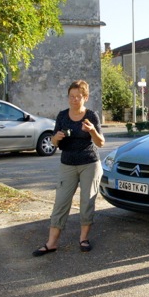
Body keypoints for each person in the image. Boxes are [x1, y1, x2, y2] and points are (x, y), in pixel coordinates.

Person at [33, 80, 104, 256]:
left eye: (78, 97)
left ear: (85, 98)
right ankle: (52, 242)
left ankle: (83, 238)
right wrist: (56, 137)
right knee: (61, 202)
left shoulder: (91, 116)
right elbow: (55, 142)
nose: (74, 100)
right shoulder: (63, 116)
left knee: (87, 201)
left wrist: (92, 131)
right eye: (71, 97)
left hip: (89, 163)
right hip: (68, 164)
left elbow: (101, 143)